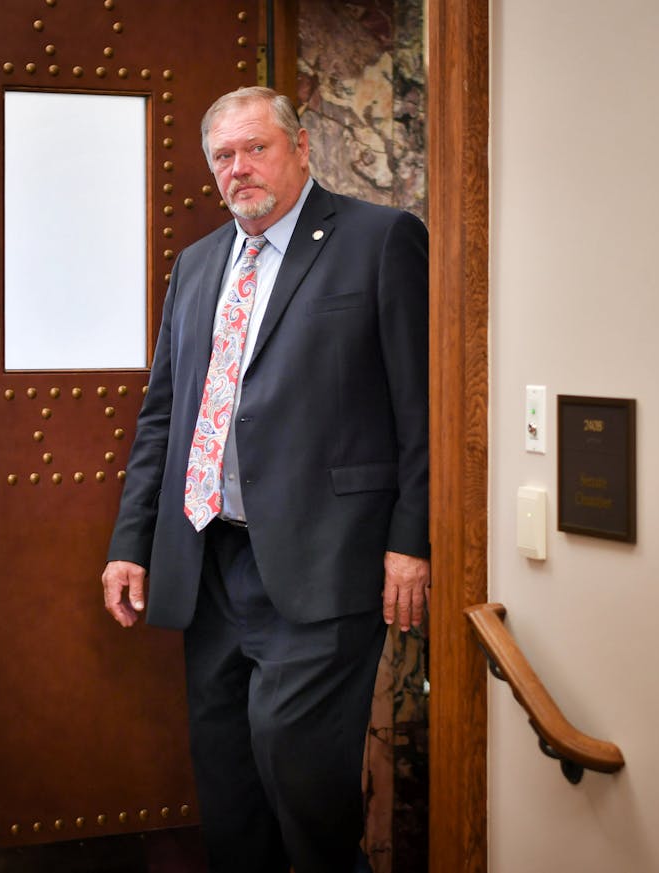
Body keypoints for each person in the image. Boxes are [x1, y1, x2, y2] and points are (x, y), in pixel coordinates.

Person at [102, 86, 429, 873]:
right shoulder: (198, 261)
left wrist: (410, 542)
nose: (239, 169)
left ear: (302, 146)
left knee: (303, 779)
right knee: (227, 782)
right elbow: (165, 417)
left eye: (256, 148)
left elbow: (425, 408)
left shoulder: (379, 241)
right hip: (208, 564)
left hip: (325, 560)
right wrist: (131, 543)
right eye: (223, 156)